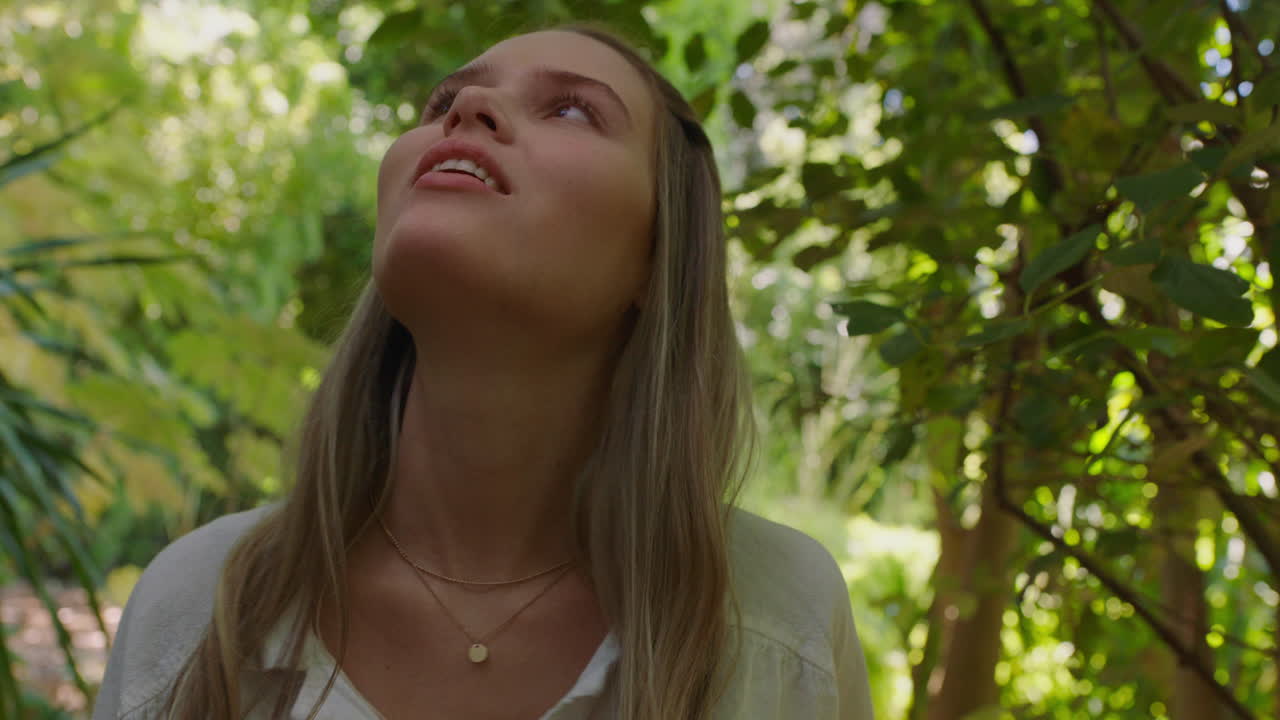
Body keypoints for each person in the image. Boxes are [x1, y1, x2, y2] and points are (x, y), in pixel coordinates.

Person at [91, 22, 874, 720]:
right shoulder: (198, 607)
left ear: (658, 262)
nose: (466, 112)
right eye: (445, 103)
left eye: (571, 108)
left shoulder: (781, 627)